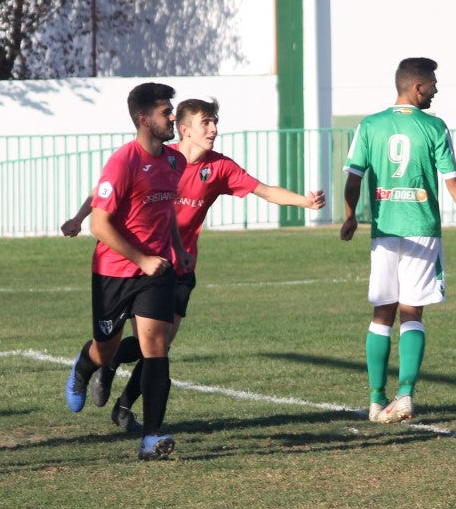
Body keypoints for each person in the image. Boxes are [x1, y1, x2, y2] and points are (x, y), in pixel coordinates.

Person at [62, 98, 327, 433]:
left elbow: (263, 190)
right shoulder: (159, 157)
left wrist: (304, 201)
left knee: (159, 346)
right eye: (206, 123)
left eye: (215, 122)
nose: (214, 129)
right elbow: (104, 190)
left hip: (177, 268)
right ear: (184, 129)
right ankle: (103, 359)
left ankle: (125, 407)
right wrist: (78, 217)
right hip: (132, 262)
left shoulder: (219, 168)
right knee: (128, 342)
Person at [339, 57, 456, 423]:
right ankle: (404, 395)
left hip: (385, 232)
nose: (436, 89)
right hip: (422, 230)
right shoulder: (435, 127)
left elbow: (354, 177)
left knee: (381, 314)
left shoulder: (370, 125)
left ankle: (376, 400)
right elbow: (452, 180)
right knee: (412, 312)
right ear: (417, 87)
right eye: (433, 84)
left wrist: (349, 217)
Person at [64, 83, 193, 459]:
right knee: (105, 349)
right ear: (143, 119)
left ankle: (152, 438)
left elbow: (166, 208)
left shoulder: (174, 161)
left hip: (156, 271)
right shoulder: (123, 161)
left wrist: (178, 249)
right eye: (166, 112)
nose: (173, 117)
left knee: (156, 348)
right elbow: (100, 225)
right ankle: (85, 367)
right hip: (114, 271)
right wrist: (139, 258)